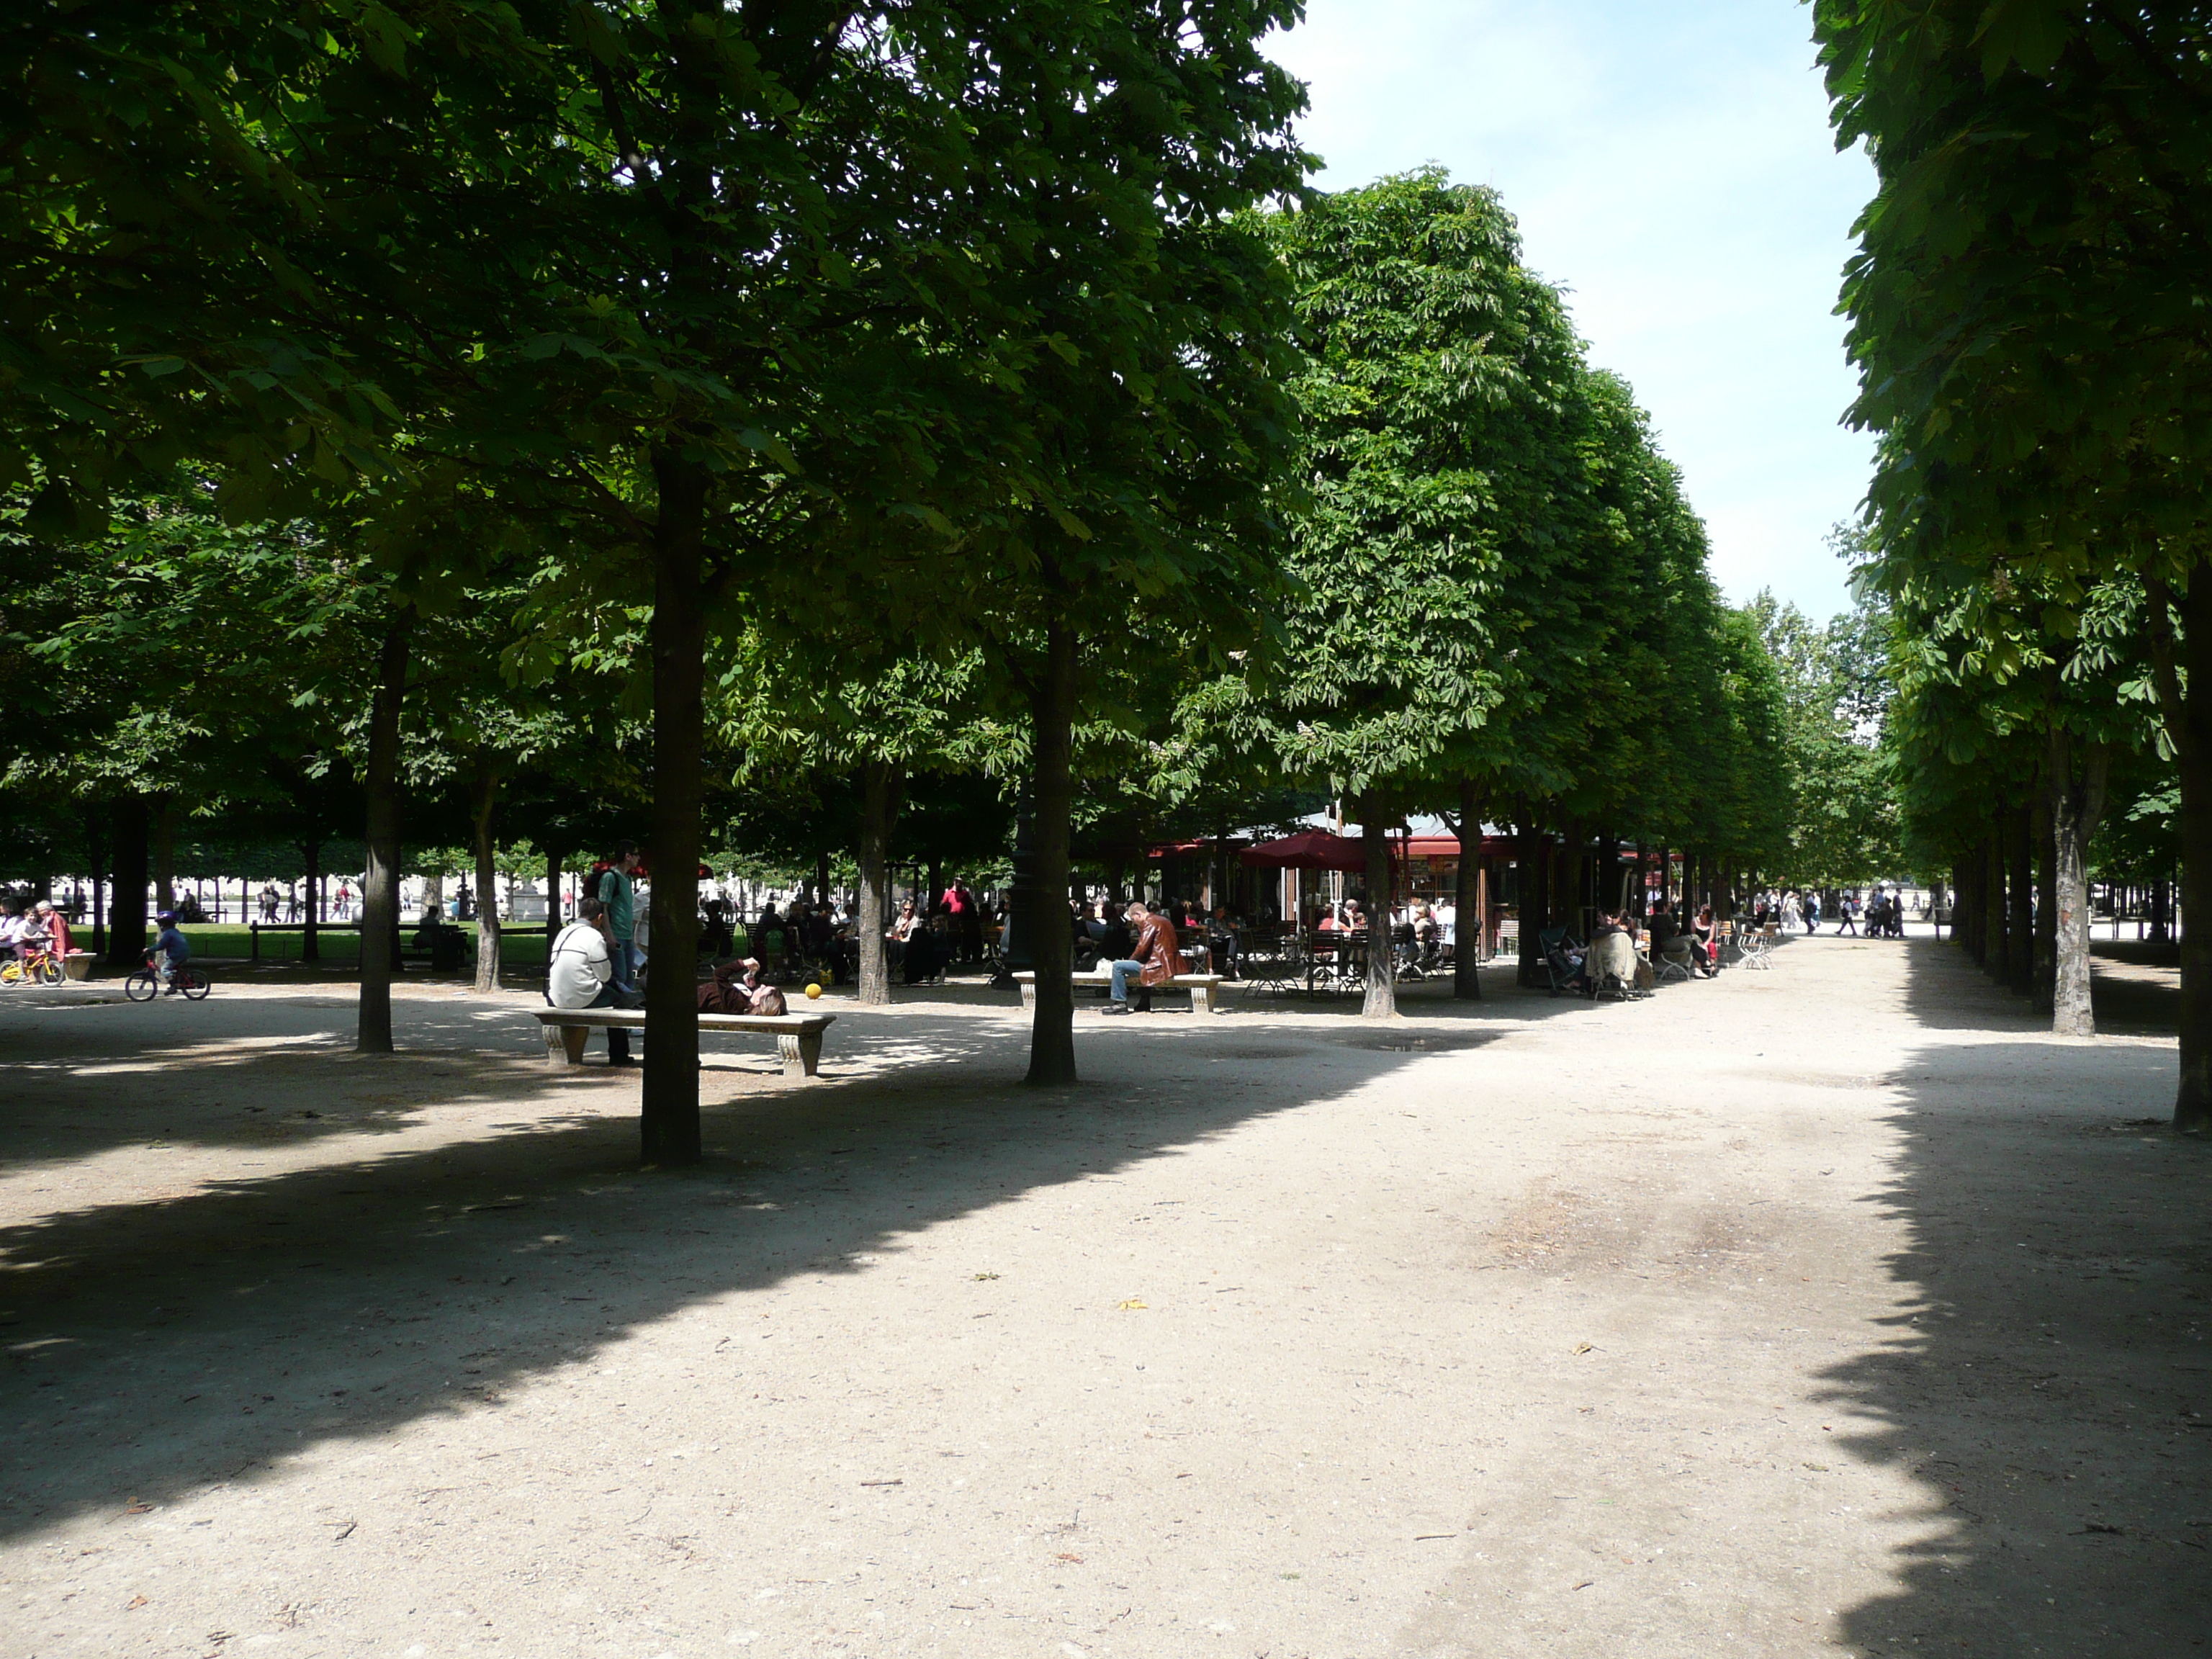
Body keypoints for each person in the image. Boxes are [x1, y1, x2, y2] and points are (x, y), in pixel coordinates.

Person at [547, 896, 639, 1064]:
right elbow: (604, 976)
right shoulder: (593, 936)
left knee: (611, 990)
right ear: (599, 918)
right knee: (619, 1001)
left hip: (556, 994)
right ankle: (619, 1055)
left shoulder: (564, 932)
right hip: (582, 996)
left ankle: (574, 1056)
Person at [1100, 899, 1186, 1015]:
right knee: (1144, 964)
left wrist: (1129, 961)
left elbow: (1141, 948)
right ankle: (1144, 1002)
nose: (1135, 923)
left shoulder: (1149, 922)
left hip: (1159, 966)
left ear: (1138, 914)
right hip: (1171, 964)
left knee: (1119, 966)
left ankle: (1119, 1003)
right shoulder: (1163, 920)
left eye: (1134, 919)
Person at [598, 840, 643, 1012]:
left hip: (627, 935)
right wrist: (609, 934)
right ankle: (618, 1017)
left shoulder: (628, 878)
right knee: (620, 978)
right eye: (636, 854)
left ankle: (627, 1016)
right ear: (628, 856)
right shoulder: (610, 877)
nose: (639, 858)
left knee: (630, 979)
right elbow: (604, 907)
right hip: (616, 935)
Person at [152, 909, 192, 992]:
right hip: (183, 953)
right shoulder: (174, 931)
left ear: (165, 924)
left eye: (161, 924)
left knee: (164, 970)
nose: (160, 926)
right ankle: (176, 981)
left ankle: (173, 986)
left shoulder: (168, 933)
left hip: (177, 955)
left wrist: (150, 949)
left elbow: (161, 946)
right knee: (173, 968)